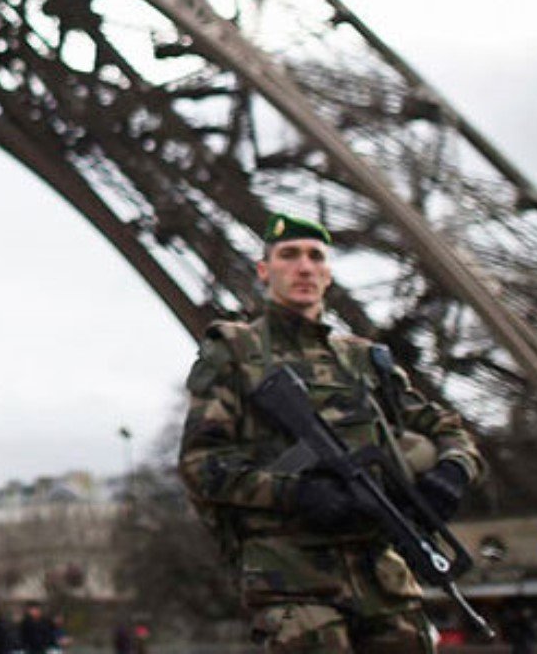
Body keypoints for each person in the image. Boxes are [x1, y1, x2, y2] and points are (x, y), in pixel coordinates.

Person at [179, 212, 484, 652]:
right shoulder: (235, 353)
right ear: (263, 271)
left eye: (315, 256)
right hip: (292, 576)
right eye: (288, 255)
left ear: (328, 274)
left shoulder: (365, 360)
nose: (304, 267)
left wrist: (453, 471)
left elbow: (446, 430)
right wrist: (295, 492)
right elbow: (199, 464)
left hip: (382, 576)